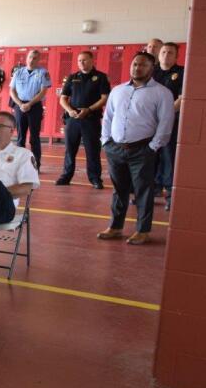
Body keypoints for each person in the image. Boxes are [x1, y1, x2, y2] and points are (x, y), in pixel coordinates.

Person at [98, 52, 174, 245]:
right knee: (119, 189)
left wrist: (152, 147)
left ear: (151, 68)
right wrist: (106, 141)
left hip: (142, 150)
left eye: (142, 65)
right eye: (134, 64)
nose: (137, 68)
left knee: (143, 191)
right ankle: (115, 227)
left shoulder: (162, 93)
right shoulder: (118, 90)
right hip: (115, 149)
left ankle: (142, 230)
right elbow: (108, 117)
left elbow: (165, 123)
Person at [56, 51, 111, 189]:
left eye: (85, 60)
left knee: (92, 150)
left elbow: (104, 98)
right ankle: (66, 176)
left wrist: (89, 109)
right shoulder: (73, 77)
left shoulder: (100, 77)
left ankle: (95, 179)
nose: (81, 63)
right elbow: (63, 98)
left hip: (90, 118)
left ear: (92, 60)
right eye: (79, 60)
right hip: (73, 118)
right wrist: (69, 111)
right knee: (70, 149)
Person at [153, 42, 185, 210]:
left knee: (168, 159)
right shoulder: (152, 72)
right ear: (159, 54)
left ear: (176, 56)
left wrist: (164, 115)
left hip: (170, 122)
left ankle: (170, 197)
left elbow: (181, 98)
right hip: (150, 123)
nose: (166, 55)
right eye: (164, 52)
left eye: (170, 53)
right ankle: (150, 193)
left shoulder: (182, 72)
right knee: (150, 158)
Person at [9, 49, 51, 169]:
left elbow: (43, 92)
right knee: (20, 137)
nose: (32, 60)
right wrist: (20, 104)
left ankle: (35, 165)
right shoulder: (18, 72)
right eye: (30, 57)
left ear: (39, 60)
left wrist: (30, 104)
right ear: (26, 58)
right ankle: (20, 165)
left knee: (34, 138)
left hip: (35, 106)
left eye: (35, 58)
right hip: (20, 106)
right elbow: (12, 90)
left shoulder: (43, 72)